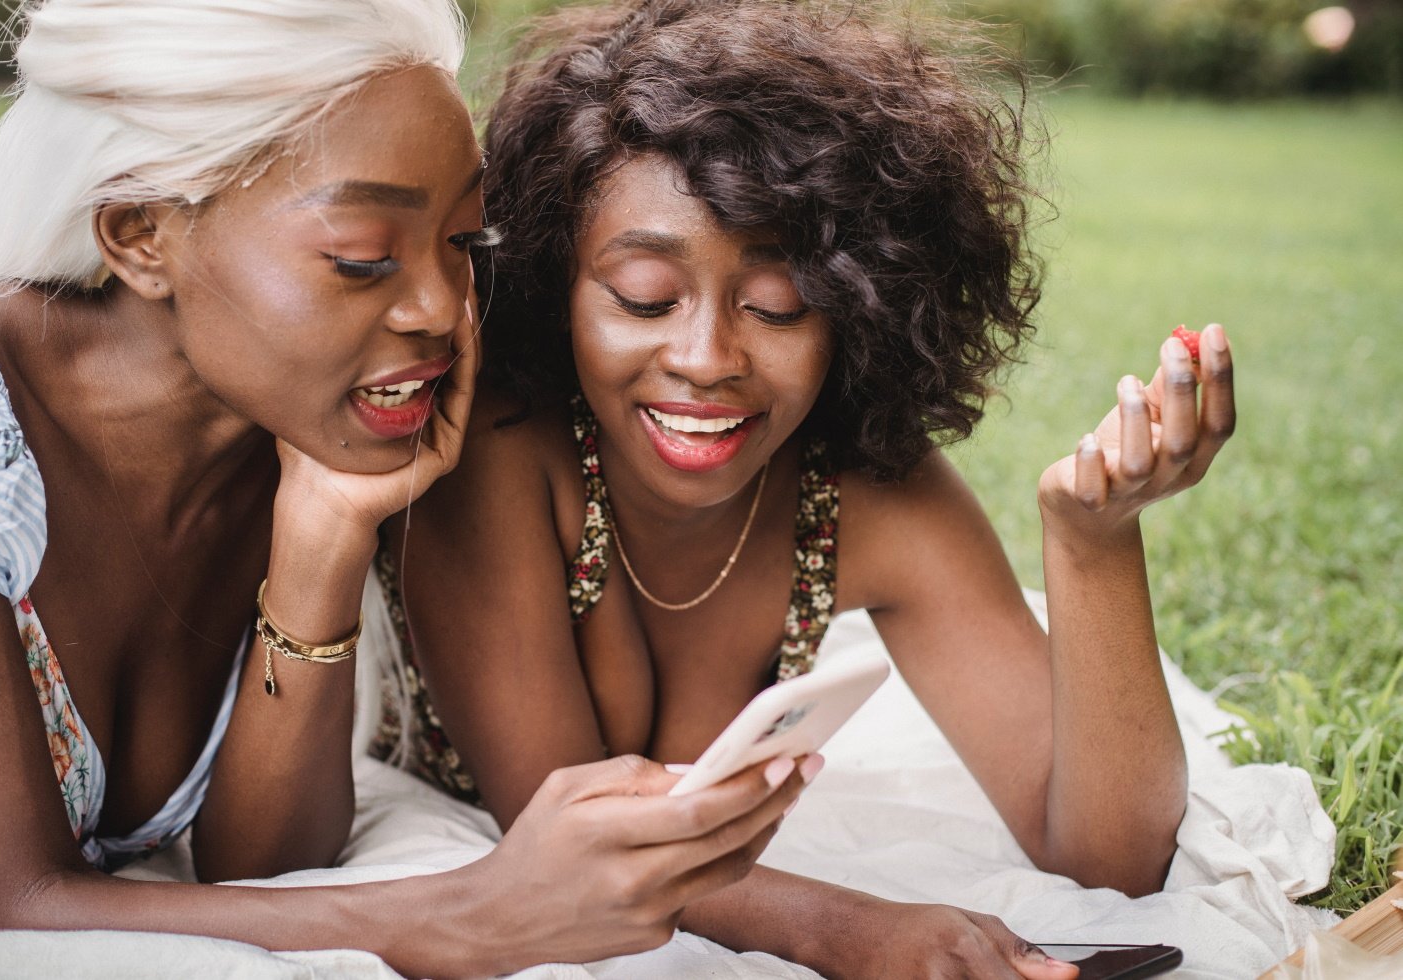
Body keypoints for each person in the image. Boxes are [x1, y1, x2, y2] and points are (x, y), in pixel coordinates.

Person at [0, 1, 806, 975]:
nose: (439, 308)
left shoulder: (293, 423)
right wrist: (476, 908)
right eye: (362, 257)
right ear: (140, 235)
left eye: (463, 244)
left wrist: (328, 528)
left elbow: (263, 864)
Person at [379, 0, 1237, 977]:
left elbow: (1110, 858)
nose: (706, 359)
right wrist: (847, 928)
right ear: (554, 280)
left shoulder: (869, 493)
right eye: (645, 296)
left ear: (856, 302)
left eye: (778, 305)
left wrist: (1094, 537)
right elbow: (576, 834)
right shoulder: (493, 448)